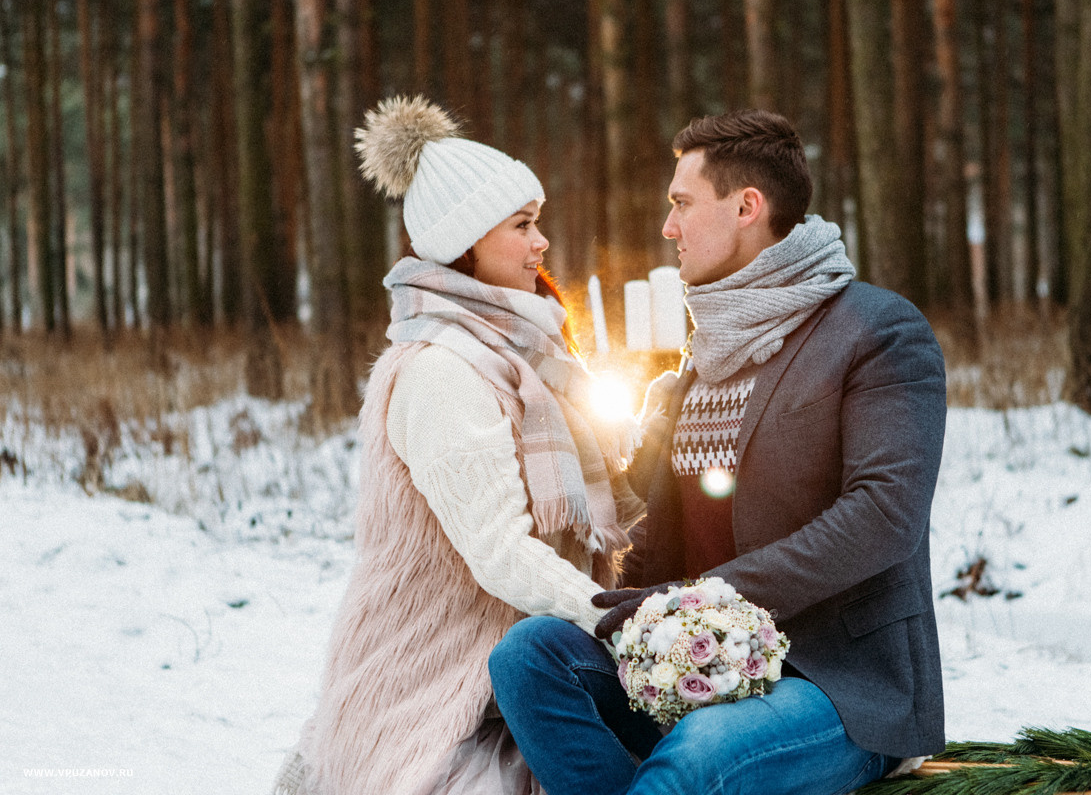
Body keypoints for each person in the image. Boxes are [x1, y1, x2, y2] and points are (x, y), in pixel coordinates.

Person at [488, 109, 948, 795]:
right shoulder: (706, 354)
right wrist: (630, 592)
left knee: (701, 753)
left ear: (746, 207)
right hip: (695, 663)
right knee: (529, 657)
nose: (668, 227)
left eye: (681, 204)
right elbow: (672, 535)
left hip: (834, 685)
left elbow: (883, 517)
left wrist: (704, 599)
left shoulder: (875, 331)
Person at [271, 95, 642, 795]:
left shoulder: (524, 353)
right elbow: (498, 548)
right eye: (523, 226)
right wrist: (614, 614)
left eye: (539, 224)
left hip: (514, 664)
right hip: (435, 674)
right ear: (465, 241)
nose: (542, 244)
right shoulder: (443, 368)